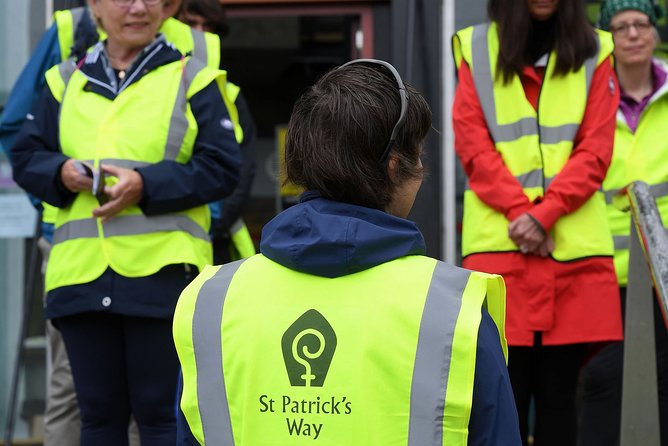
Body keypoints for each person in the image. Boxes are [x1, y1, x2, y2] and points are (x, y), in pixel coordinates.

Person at [173, 59, 522, 445]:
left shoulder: (210, 304)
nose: (421, 170)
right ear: (394, 167)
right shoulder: (454, 313)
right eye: (418, 156)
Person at [10, 0, 241, 443]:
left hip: (162, 275)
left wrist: (146, 184)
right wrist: (59, 173)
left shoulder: (192, 77)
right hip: (80, 276)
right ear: (94, 7)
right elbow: (25, 156)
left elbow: (223, 167)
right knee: (96, 416)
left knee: (159, 414)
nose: (138, 6)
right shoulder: (63, 79)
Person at [452, 0, 623, 445]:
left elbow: (597, 148)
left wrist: (543, 215)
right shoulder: (474, 47)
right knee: (500, 395)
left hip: (571, 259)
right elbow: (472, 145)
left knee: (561, 398)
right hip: (502, 255)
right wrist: (524, 215)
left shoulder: (597, 51)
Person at [578, 1, 668, 444]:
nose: (632, 33)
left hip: (665, 275)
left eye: (641, 24)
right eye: (620, 27)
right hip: (602, 271)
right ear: (607, 40)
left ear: (654, 32)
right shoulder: (589, 98)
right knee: (601, 380)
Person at [179, 0, 257, 263]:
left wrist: (217, 224)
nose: (200, 33)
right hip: (164, 239)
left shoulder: (231, 95)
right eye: (191, 24)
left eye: (209, 27)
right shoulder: (152, 87)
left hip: (219, 240)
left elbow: (244, 169)